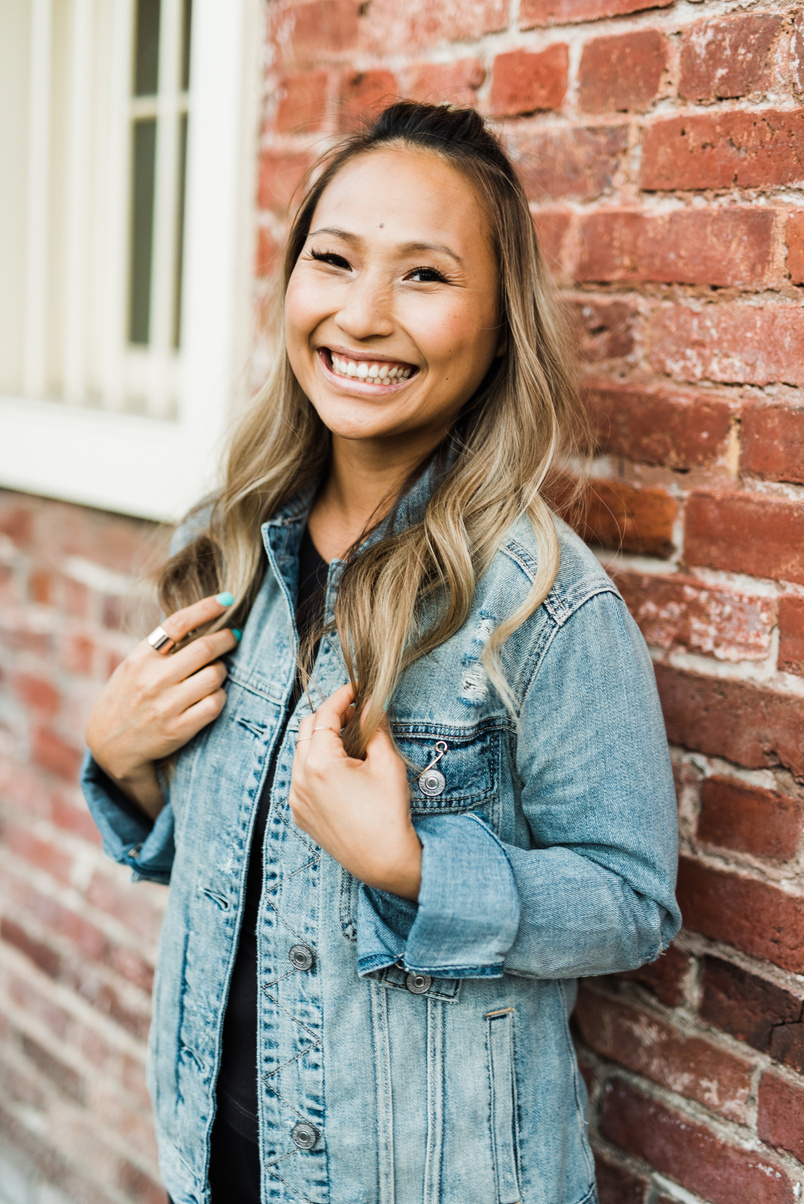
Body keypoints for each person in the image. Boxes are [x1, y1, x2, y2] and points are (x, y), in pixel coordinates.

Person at [82, 101, 680, 1204]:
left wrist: (412, 868)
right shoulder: (224, 551)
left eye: (424, 276)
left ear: (501, 325)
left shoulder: (542, 604)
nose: (361, 316)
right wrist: (120, 755)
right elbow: (229, 878)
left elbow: (634, 900)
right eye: (336, 260)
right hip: (215, 1164)